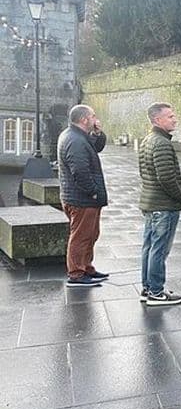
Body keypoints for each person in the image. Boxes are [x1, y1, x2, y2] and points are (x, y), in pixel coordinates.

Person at [138, 102, 181, 306]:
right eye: (170, 116)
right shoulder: (162, 143)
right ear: (157, 120)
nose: (174, 119)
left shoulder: (148, 140)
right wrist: (180, 197)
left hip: (151, 202)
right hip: (163, 205)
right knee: (159, 249)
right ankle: (156, 292)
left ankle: (148, 287)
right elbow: (166, 178)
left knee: (149, 247)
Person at [57, 105, 109, 287]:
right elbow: (79, 171)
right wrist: (93, 191)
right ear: (84, 119)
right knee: (80, 237)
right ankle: (76, 274)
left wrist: (98, 133)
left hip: (84, 198)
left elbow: (97, 147)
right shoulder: (75, 140)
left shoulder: (79, 136)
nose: (96, 119)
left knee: (91, 234)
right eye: (93, 116)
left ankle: (86, 267)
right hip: (82, 199)